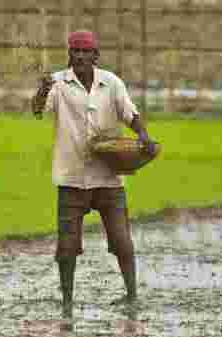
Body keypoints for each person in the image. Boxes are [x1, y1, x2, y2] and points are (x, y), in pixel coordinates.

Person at [31, 30, 156, 317]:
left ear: (96, 56)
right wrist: (41, 89)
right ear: (70, 55)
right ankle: (67, 302)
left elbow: (130, 113)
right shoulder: (58, 84)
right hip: (71, 177)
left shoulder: (111, 83)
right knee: (67, 247)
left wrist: (144, 136)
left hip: (108, 177)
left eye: (86, 52)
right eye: (76, 51)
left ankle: (131, 295)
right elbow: (38, 110)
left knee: (121, 240)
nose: (81, 57)